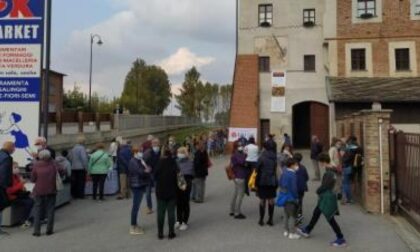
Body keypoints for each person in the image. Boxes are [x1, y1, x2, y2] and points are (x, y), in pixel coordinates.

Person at [298, 153, 347, 247]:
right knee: (316, 213)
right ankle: (307, 230)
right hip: (327, 196)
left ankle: (341, 238)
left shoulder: (329, 172)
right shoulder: (331, 169)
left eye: (320, 162)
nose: (319, 164)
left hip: (327, 196)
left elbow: (325, 186)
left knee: (330, 218)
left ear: (323, 161)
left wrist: (318, 190)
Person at [31, 150, 64, 237]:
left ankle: (36, 231)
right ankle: (49, 230)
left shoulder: (36, 165)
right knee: (50, 209)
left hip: (38, 190)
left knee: (37, 209)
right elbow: (62, 170)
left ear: (40, 156)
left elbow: (33, 179)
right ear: (49, 156)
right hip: (51, 190)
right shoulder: (53, 164)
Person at [155, 146, 178, 240]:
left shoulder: (159, 162)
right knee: (171, 212)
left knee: (160, 212)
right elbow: (178, 174)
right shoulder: (173, 162)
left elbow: (155, 175)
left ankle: (160, 233)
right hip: (172, 190)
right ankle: (171, 232)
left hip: (160, 191)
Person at [128, 146, 152, 235]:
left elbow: (146, 168)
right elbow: (141, 172)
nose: (142, 153)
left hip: (140, 184)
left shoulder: (139, 160)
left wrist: (147, 169)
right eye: (140, 151)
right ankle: (133, 226)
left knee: (136, 206)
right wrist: (146, 170)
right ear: (135, 152)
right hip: (136, 185)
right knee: (136, 206)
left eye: (142, 151)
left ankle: (135, 224)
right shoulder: (133, 161)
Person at [256, 141, 278, 226]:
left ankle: (261, 220)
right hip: (272, 180)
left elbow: (257, 168)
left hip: (262, 180)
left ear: (265, 147)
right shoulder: (275, 156)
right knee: (271, 200)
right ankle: (270, 219)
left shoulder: (262, 157)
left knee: (262, 200)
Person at [7, 162, 34, 227]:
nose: (17, 169)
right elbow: (9, 191)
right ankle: (23, 220)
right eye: (15, 167)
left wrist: (24, 187)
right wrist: (21, 184)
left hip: (18, 195)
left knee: (31, 199)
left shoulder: (16, 176)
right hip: (11, 197)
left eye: (17, 167)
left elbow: (20, 186)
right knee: (29, 202)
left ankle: (26, 218)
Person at [279, 158, 300, 239]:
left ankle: (286, 231)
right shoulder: (293, 175)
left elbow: (280, 182)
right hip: (291, 197)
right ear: (292, 165)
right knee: (292, 215)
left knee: (285, 214)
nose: (297, 166)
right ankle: (292, 233)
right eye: (295, 165)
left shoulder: (284, 172)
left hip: (284, 196)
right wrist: (296, 197)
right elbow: (294, 188)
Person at [175, 147, 194, 231]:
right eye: (178, 152)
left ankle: (184, 221)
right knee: (178, 202)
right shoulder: (176, 161)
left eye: (181, 152)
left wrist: (183, 175)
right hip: (177, 183)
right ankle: (178, 220)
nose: (179, 154)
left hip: (186, 183)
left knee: (185, 202)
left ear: (185, 153)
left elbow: (192, 173)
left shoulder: (190, 161)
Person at [0, 141, 15, 235]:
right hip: (0, 186)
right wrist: (6, 186)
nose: (14, 150)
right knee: (2, 204)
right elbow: (4, 173)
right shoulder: (7, 158)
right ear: (10, 148)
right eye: (13, 148)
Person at [341, 136, 362, 204]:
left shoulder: (349, 148)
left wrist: (343, 161)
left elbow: (347, 158)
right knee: (350, 182)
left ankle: (346, 198)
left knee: (346, 183)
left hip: (347, 166)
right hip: (354, 167)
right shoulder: (358, 148)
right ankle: (349, 198)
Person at [230, 142, 247, 219]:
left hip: (235, 175)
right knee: (240, 194)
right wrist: (245, 154)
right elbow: (242, 162)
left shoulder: (234, 154)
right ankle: (237, 212)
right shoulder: (238, 154)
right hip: (240, 175)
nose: (242, 147)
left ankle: (232, 210)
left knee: (236, 193)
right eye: (240, 146)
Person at [144, 138, 161, 214]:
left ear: (159, 144)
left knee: (158, 192)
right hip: (148, 175)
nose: (155, 145)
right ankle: (149, 207)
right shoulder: (148, 152)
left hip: (157, 175)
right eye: (154, 143)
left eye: (156, 143)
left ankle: (159, 206)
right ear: (151, 144)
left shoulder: (161, 152)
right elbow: (144, 162)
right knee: (147, 193)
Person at [294, 153, 309, 221]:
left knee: (292, 201)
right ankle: (299, 216)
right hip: (301, 188)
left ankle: (292, 216)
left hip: (293, 187)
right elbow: (306, 177)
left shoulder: (291, 167)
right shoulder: (303, 167)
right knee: (300, 202)